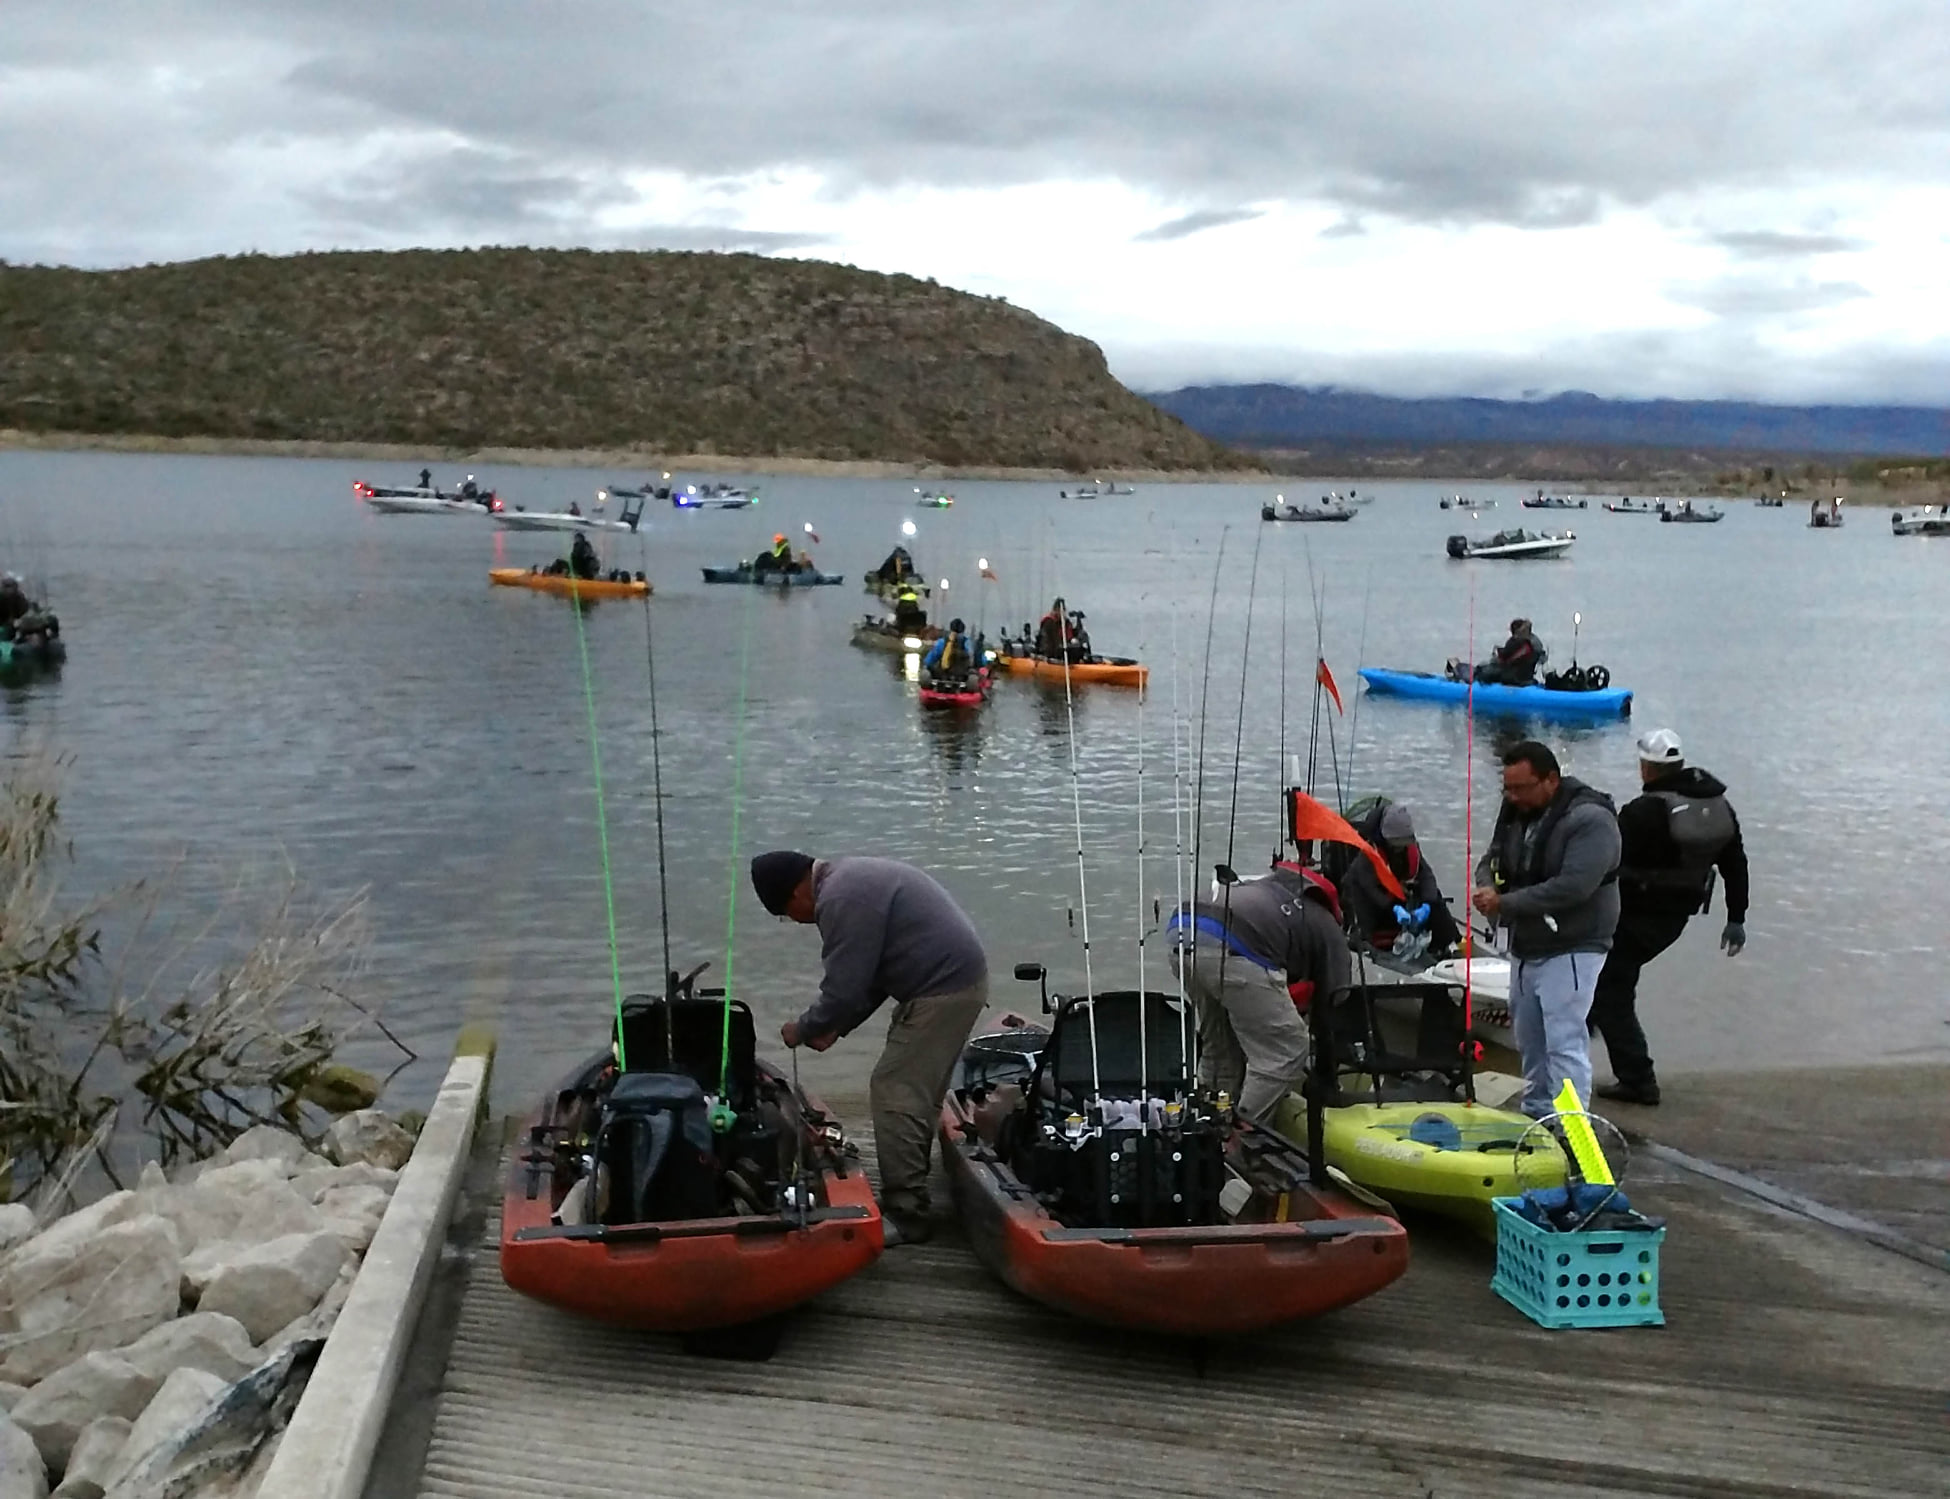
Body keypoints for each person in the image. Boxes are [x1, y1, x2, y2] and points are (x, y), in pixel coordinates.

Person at [751, 851, 988, 1246]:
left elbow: (843, 988)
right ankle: (913, 1187)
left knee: (894, 1088)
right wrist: (836, 1029)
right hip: (948, 984)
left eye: (786, 912)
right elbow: (872, 977)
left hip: (943, 989)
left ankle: (907, 1213)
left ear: (796, 893)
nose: (794, 921)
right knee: (915, 1093)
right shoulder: (849, 880)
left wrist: (804, 1028)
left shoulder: (840, 899)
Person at [1590, 730, 1749, 1106]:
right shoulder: (1717, 805)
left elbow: (1604, 861)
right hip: (1673, 919)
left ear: (1646, 767)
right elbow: (1735, 863)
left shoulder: (1643, 811)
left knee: (1611, 989)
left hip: (1632, 915)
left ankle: (1637, 1080)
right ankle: (1587, 1034)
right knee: (1609, 983)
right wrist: (1736, 918)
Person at [1472, 740, 1620, 1117]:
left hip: (1573, 946)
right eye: (1507, 787)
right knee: (1529, 1042)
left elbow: (1574, 886)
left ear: (1550, 780)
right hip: (1526, 946)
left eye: (1520, 787)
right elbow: (1492, 857)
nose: (1511, 796)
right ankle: (1537, 1114)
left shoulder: (1591, 820)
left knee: (1564, 1043)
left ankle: (1573, 1126)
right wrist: (1486, 884)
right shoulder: (1516, 811)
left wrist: (1505, 903)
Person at [1165, 860, 1350, 1122]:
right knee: (1287, 1049)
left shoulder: (1270, 889)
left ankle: (1205, 1120)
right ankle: (1243, 1134)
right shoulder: (1329, 926)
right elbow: (1332, 1005)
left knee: (1220, 1043)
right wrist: (1327, 1078)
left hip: (1181, 931)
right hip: (1233, 942)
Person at [1337, 803, 1462, 958]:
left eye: (1403, 844)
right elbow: (1370, 888)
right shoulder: (1367, 856)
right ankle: (1366, 945)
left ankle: (1449, 944)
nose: (1399, 848)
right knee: (1359, 895)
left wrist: (1427, 905)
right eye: (1396, 844)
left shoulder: (1411, 849)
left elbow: (1426, 876)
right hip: (1376, 904)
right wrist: (1394, 908)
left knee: (1434, 897)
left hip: (1400, 901)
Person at [1456, 618, 1547, 686]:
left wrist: (1496, 656)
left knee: (1482, 672)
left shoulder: (1517, 643)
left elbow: (1504, 659)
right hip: (1526, 677)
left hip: (1514, 678)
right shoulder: (1534, 641)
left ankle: (1463, 677)